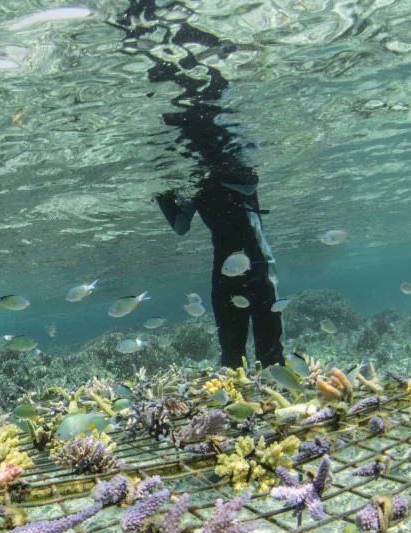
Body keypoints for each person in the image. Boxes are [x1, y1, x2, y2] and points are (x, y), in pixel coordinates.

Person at [114, 0, 285, 368]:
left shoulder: (235, 174)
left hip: (255, 264)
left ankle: (183, 36)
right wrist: (165, 194)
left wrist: (202, 175)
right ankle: (149, 33)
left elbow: (246, 183)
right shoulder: (201, 183)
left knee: (272, 355)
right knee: (230, 357)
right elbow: (180, 228)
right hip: (223, 271)